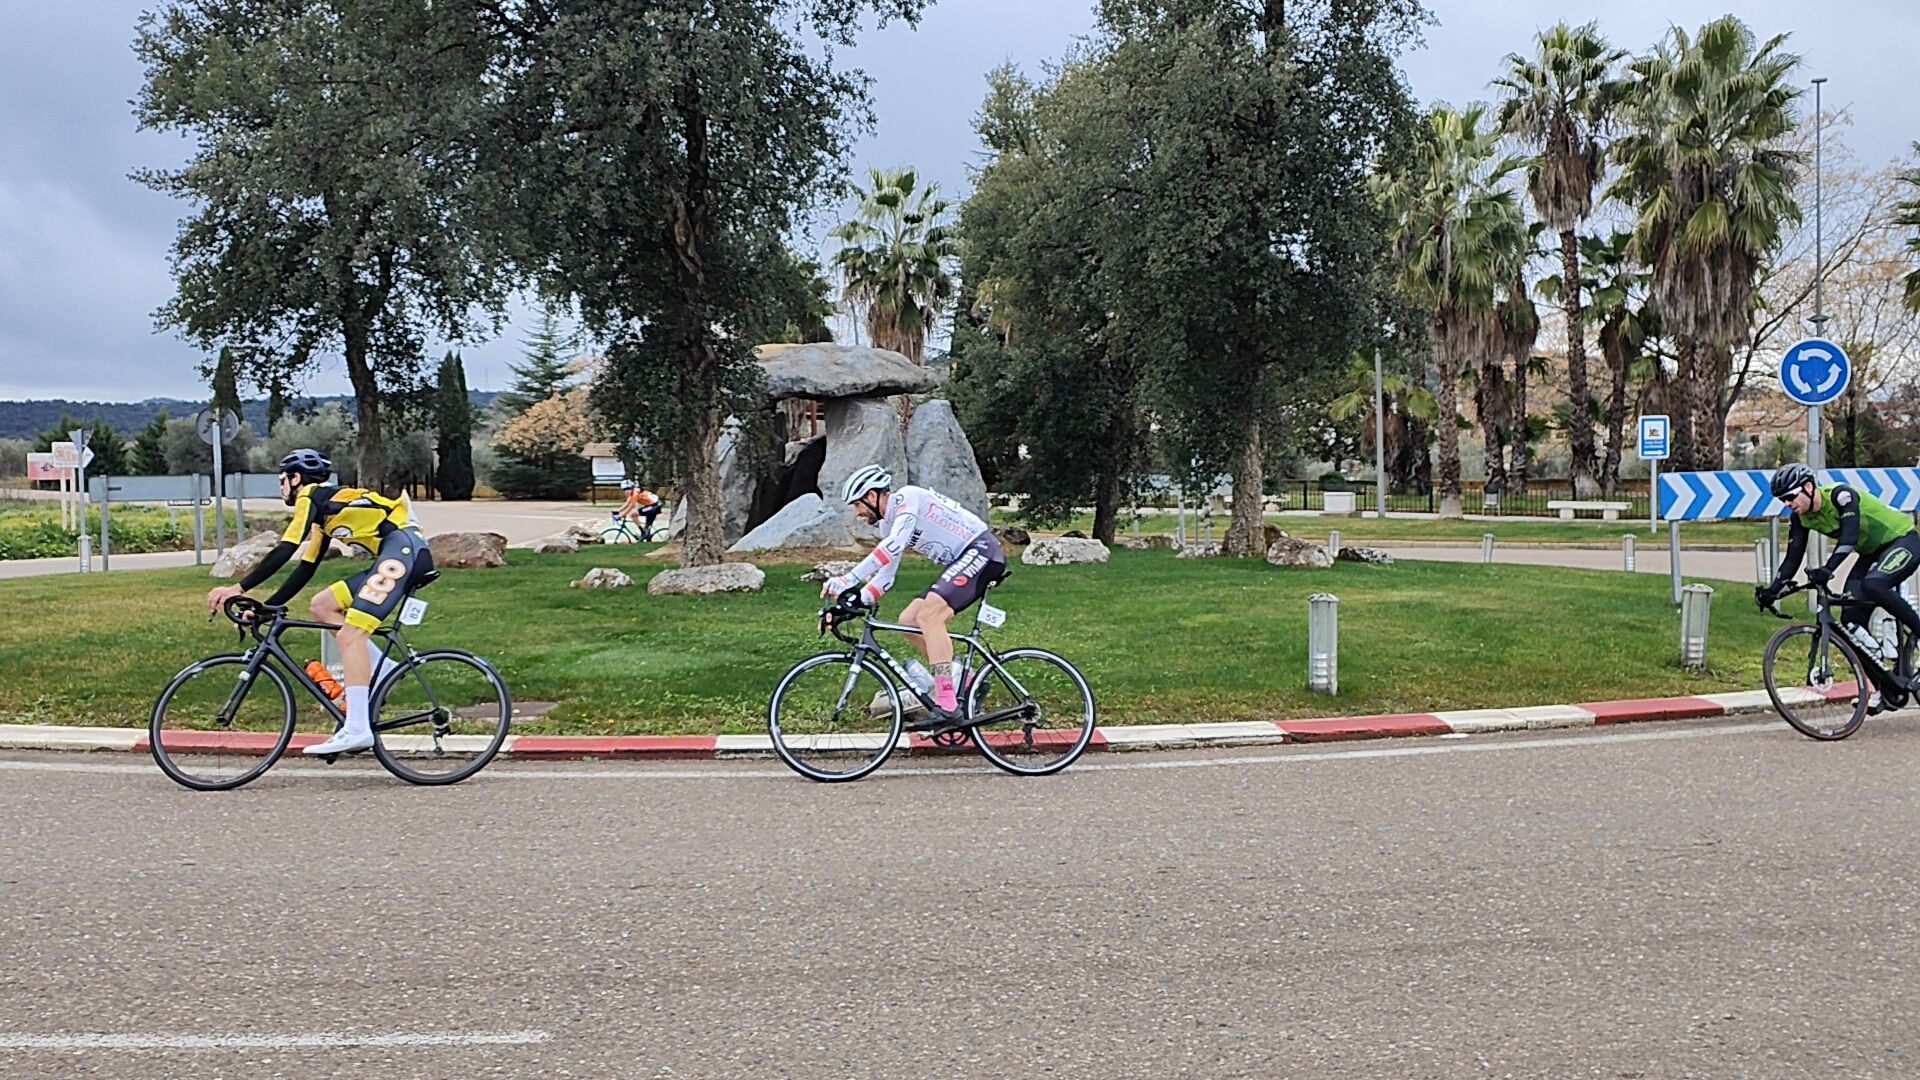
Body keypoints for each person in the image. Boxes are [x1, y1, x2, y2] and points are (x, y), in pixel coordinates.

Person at [205, 449, 435, 755]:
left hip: (403, 551)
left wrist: (239, 587)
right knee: (322, 605)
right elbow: (305, 567)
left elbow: (286, 547)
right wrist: (265, 607)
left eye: (282, 480)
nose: (281, 487)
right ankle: (383, 668)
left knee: (352, 635)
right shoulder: (323, 513)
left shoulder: (310, 496)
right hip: (397, 554)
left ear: (295, 478)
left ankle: (357, 728)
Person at [822, 464, 1005, 736]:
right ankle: (964, 683)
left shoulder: (907, 499)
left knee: (930, 616)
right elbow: (885, 578)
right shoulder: (888, 523)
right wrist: (852, 602)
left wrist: (848, 578)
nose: (856, 513)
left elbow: (893, 545)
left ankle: (947, 703)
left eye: (857, 504)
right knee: (908, 620)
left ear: (872, 496)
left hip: (982, 551)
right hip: (965, 558)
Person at [1756, 462, 1920, 701]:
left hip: (1902, 540)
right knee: (1849, 621)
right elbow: (1792, 559)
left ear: (1808, 487)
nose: (1788, 503)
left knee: (1874, 584)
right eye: (1782, 500)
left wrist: (1828, 569)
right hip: (1871, 553)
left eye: (1790, 496)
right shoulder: (1800, 518)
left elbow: (1849, 538)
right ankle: (1886, 688)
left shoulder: (1841, 496)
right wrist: (1772, 590)